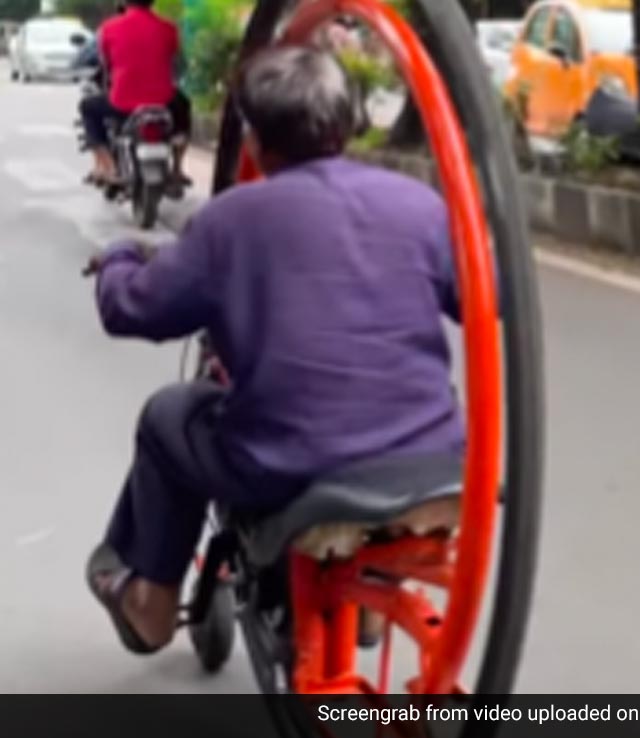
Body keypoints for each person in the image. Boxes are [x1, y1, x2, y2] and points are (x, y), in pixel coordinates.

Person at [83, 46, 464, 654]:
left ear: (255, 143)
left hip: (289, 461)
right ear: (349, 125)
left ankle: (151, 602)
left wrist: (119, 259)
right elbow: (485, 300)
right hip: (436, 458)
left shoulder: (231, 219)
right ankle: (364, 590)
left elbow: (133, 309)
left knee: (168, 416)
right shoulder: (419, 204)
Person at [79, 0, 191, 187]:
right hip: (164, 101)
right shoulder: (168, 28)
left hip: (122, 102)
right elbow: (177, 63)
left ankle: (109, 166)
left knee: (87, 107)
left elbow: (106, 64)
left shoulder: (109, 28)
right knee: (184, 106)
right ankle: (177, 168)